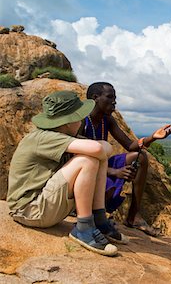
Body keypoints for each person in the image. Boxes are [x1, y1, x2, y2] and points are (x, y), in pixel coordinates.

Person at [7, 90, 128, 257]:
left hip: (43, 206)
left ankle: (98, 219)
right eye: (79, 118)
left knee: (95, 157)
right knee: (87, 160)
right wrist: (99, 150)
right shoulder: (43, 138)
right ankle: (84, 228)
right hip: (29, 211)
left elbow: (105, 149)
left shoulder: (62, 135)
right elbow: (99, 148)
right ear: (69, 122)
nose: (82, 121)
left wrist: (100, 150)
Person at [80, 82, 171, 236]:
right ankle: (93, 216)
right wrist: (114, 171)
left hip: (102, 165)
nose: (114, 102)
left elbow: (130, 145)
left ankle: (134, 217)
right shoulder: (82, 121)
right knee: (106, 188)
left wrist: (152, 138)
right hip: (85, 169)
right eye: (110, 97)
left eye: (115, 98)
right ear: (95, 98)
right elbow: (78, 158)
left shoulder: (108, 120)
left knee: (140, 157)